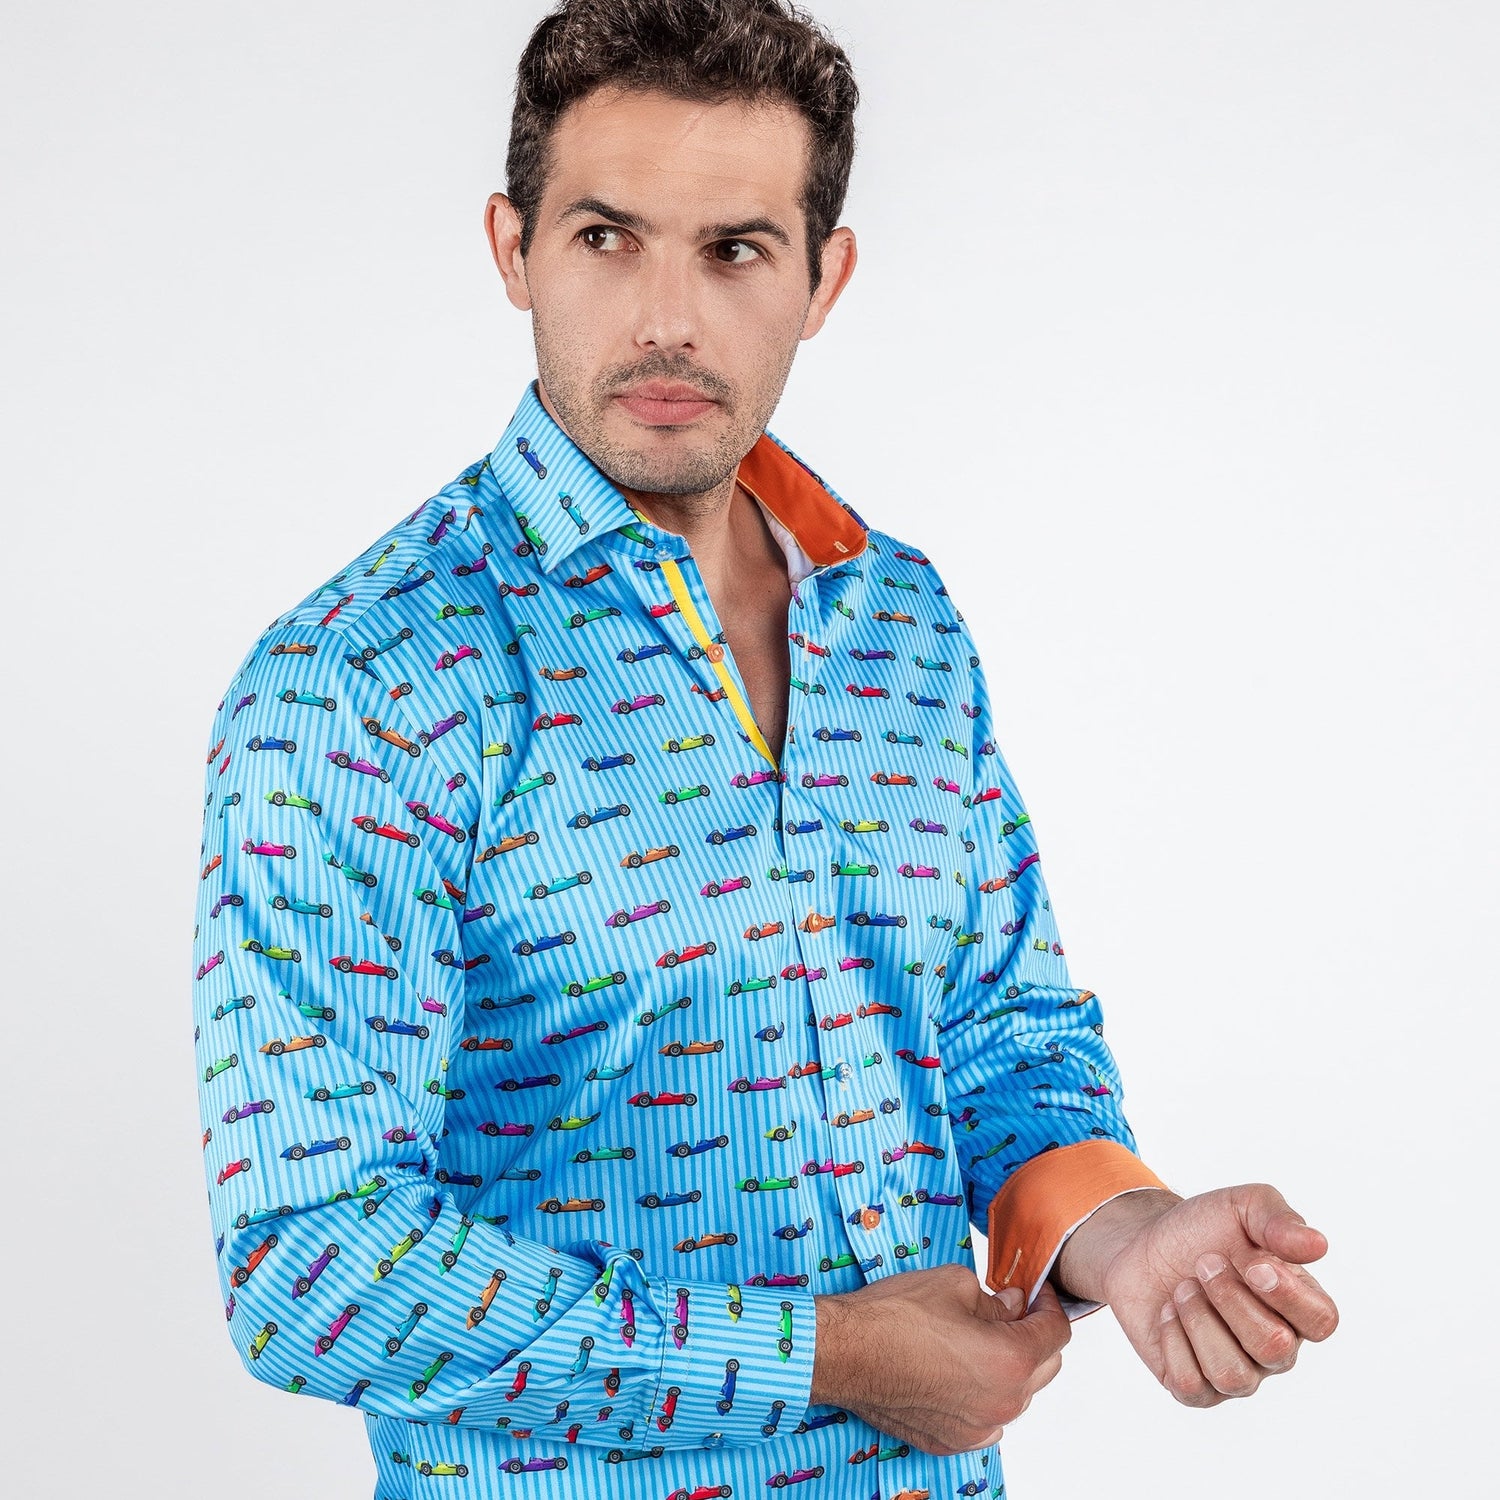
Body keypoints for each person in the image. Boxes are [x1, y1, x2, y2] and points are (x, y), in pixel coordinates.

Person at [189, 2, 1338, 1496]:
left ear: (821, 278)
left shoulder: (899, 622)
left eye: (734, 249)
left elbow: (997, 1035)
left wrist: (1131, 1241)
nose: (667, 318)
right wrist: (831, 1356)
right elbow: (310, 1265)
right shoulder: (364, 679)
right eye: (606, 239)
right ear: (512, 248)